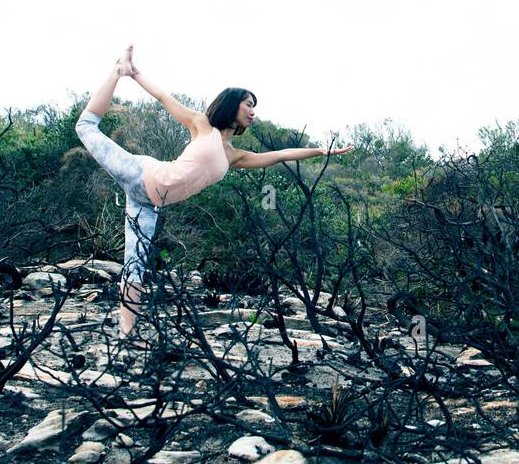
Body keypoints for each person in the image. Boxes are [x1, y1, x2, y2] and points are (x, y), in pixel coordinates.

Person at [74, 45, 353, 352]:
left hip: (148, 204)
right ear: (232, 104)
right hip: (139, 173)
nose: (253, 111)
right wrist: (133, 73)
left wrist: (320, 151)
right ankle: (117, 71)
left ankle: (127, 333)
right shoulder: (201, 125)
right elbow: (163, 97)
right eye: (248, 104)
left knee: (134, 266)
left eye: (254, 106)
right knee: (85, 126)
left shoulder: (235, 156)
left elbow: (281, 155)